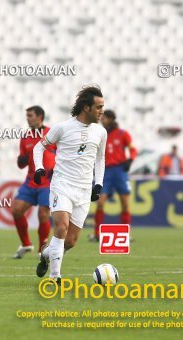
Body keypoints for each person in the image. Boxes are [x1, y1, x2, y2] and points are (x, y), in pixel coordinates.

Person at [33, 86, 107, 284]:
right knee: (61, 227)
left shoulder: (100, 132)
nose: (102, 111)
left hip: (83, 191)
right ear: (86, 107)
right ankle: (55, 277)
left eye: (103, 107)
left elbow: (100, 159)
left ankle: (46, 255)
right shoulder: (62, 128)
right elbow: (38, 147)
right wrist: (39, 168)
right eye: (98, 107)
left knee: (71, 241)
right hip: (62, 184)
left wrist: (98, 184)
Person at [11, 106, 55, 259]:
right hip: (31, 181)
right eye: (27, 115)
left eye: (30, 115)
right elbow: (21, 163)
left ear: (40, 116)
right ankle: (26, 244)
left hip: (47, 182)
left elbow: (62, 153)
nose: (27, 118)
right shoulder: (25, 136)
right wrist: (22, 159)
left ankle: (42, 250)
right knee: (16, 209)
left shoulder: (51, 133)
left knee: (43, 215)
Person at [90, 110, 137, 242]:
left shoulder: (123, 134)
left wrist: (130, 160)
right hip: (106, 172)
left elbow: (132, 149)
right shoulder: (100, 135)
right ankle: (97, 234)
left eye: (104, 118)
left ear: (110, 119)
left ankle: (126, 234)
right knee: (100, 202)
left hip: (120, 171)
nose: (101, 120)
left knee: (125, 204)